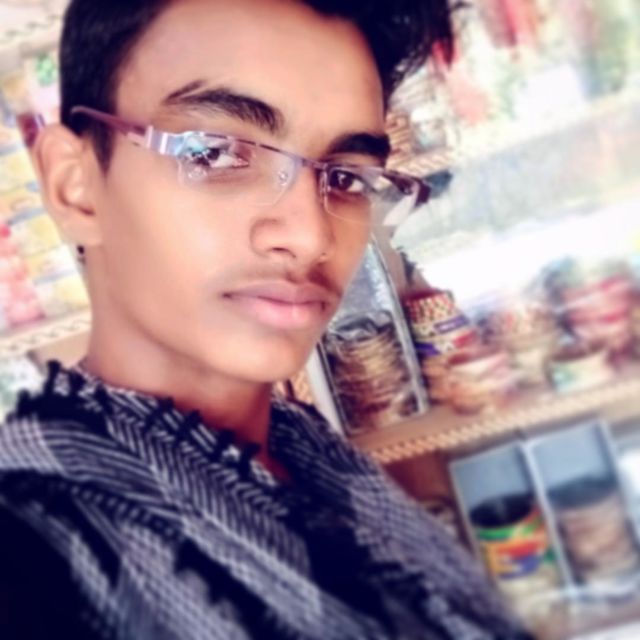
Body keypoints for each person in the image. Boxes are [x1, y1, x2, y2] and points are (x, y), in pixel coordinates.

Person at [0, 1, 530, 638]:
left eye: (347, 177)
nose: (311, 236)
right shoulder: (36, 550)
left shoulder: (301, 447)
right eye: (215, 152)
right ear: (75, 186)